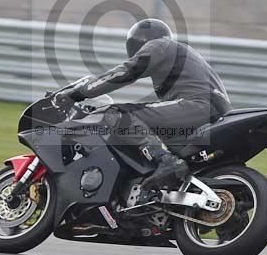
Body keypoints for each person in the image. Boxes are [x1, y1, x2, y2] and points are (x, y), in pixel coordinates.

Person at [56, 18, 231, 195]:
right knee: (145, 129)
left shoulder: (158, 46)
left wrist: (77, 93)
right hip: (214, 110)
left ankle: (166, 161)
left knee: (117, 113)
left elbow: (123, 73)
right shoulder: (184, 54)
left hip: (197, 105)